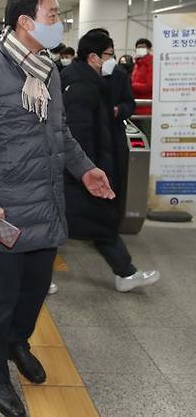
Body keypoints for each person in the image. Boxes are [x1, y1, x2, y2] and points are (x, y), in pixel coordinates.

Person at [0, 0, 114, 417]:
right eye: (52, 15)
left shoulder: (47, 69)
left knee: (36, 289)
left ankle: (16, 343)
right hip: (5, 208)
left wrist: (86, 170)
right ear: (25, 21)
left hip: (47, 202)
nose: (58, 23)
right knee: (2, 297)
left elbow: (59, 133)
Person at [61, 32, 159, 292]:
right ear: (93, 57)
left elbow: (125, 104)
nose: (112, 59)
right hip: (83, 169)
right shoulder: (83, 85)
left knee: (85, 223)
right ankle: (125, 273)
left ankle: (125, 273)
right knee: (71, 222)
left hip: (86, 166)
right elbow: (78, 131)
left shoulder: (87, 79)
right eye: (108, 54)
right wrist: (88, 169)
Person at [131, 38, 153, 116]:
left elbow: (149, 86)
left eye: (143, 47)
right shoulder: (137, 64)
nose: (140, 49)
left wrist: (131, 85)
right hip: (136, 106)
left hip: (146, 108)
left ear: (149, 49)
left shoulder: (151, 64)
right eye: (138, 47)